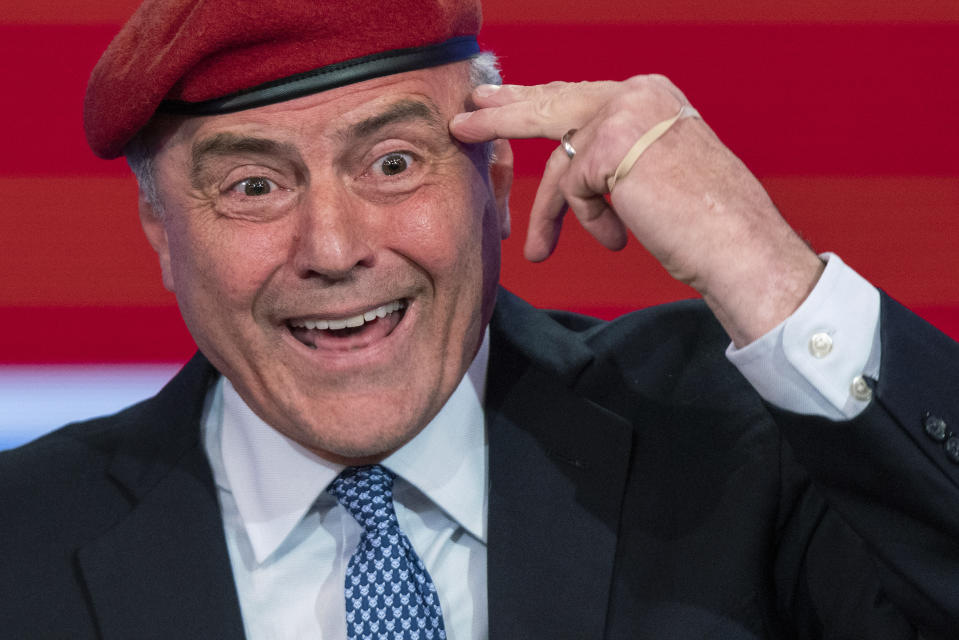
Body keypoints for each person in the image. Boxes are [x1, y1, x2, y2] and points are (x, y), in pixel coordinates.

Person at [1, 0, 957, 638]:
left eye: (391, 164)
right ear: (161, 233)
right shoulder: (22, 543)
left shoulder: (742, 443)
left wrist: (768, 268)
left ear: (495, 180)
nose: (333, 249)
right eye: (253, 185)